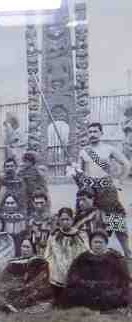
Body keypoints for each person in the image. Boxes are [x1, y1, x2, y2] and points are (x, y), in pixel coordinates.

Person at [75, 122, 130, 257]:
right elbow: (80, 172)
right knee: (92, 223)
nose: (92, 134)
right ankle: (94, 255)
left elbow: (126, 164)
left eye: (95, 131)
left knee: (116, 223)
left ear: (101, 133)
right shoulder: (83, 151)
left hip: (107, 191)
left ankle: (128, 254)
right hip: (90, 192)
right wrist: (75, 171)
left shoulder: (109, 149)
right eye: (90, 132)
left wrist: (120, 180)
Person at [64, 230, 132, 311]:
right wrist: (86, 284)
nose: (98, 245)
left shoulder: (115, 258)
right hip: (87, 287)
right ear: (90, 244)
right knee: (74, 294)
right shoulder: (83, 257)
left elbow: (122, 278)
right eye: (95, 242)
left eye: (100, 242)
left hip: (108, 288)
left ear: (106, 244)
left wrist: (105, 285)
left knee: (113, 296)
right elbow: (73, 275)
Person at [45, 206, 93, 304]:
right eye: (62, 219)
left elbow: (86, 253)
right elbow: (47, 254)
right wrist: (51, 267)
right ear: (59, 220)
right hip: (57, 274)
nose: (65, 222)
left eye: (67, 219)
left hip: (75, 274)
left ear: (72, 219)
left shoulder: (81, 235)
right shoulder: (54, 235)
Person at [0, 237, 52, 313]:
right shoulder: (13, 262)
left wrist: (23, 287)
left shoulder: (40, 263)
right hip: (15, 291)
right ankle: (9, 306)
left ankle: (15, 307)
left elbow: (40, 282)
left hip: (32, 293)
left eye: (27, 247)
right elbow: (5, 279)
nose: (24, 250)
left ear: (33, 249)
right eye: (23, 246)